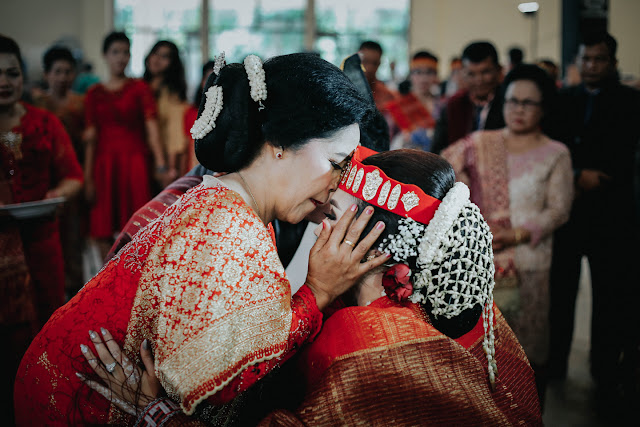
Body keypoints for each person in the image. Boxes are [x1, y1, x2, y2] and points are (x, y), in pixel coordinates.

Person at [14, 52, 390, 425]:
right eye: (336, 163)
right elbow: (216, 377)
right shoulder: (228, 223)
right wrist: (317, 292)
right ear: (280, 142)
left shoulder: (226, 200)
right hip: (82, 396)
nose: (339, 182)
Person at [78, 148, 543, 426]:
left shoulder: (360, 342)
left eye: (333, 214)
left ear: (364, 241)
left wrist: (159, 415)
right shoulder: (468, 300)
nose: (318, 219)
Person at [442, 64, 574, 403]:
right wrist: (465, 194)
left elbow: (559, 210)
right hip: (481, 261)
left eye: (529, 103)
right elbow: (440, 168)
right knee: (483, 350)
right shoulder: (480, 143)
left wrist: (516, 234)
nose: (519, 110)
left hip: (531, 263)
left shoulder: (555, 152)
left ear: (544, 108)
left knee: (528, 350)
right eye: (513, 101)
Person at [547, 31, 640, 411]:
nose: (591, 66)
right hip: (568, 211)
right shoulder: (563, 99)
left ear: (612, 62)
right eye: (586, 59)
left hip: (611, 212)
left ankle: (603, 370)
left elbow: (628, 154)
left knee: (607, 295)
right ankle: (555, 363)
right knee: (561, 291)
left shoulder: (631, 102)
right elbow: (552, 147)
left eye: (599, 59)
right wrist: (576, 174)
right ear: (577, 60)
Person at [0, 34, 83, 423]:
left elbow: (73, 177)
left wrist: (55, 193)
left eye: (12, 73)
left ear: (23, 76)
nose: (4, 81)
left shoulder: (45, 122)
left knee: (47, 328)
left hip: (42, 241)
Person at [83, 32, 167, 261]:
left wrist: (160, 165)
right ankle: (105, 280)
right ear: (105, 55)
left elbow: (152, 128)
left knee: (138, 226)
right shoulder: (93, 94)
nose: (121, 58)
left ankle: (132, 282)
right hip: (104, 163)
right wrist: (88, 177)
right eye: (115, 52)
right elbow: (90, 138)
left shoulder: (140, 88)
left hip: (135, 162)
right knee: (101, 226)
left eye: (126, 52)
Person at [31, 45, 87, 296]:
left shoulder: (80, 104)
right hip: (41, 181)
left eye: (67, 72)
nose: (63, 77)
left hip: (73, 176)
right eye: (57, 71)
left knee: (73, 240)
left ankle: (73, 294)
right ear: (46, 74)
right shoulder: (36, 103)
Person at [431, 41, 505, 154]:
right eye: (471, 74)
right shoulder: (453, 105)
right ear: (463, 73)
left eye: (485, 72)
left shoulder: (508, 104)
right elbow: (437, 151)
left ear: (499, 70)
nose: (479, 80)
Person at [144, 40, 191, 179]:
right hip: (137, 152)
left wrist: (169, 166)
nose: (157, 59)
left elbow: (174, 133)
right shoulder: (139, 87)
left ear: (173, 63)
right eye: (155, 53)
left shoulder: (172, 95)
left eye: (165, 56)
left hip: (161, 159)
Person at [385, 50, 442, 151]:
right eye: (418, 72)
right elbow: (388, 139)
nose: (424, 78)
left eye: (429, 72)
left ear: (435, 76)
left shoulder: (442, 105)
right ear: (411, 75)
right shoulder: (398, 106)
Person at [358, 41, 397, 113]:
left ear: (379, 64)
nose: (369, 68)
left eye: (374, 63)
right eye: (365, 61)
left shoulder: (386, 95)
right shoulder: (344, 90)